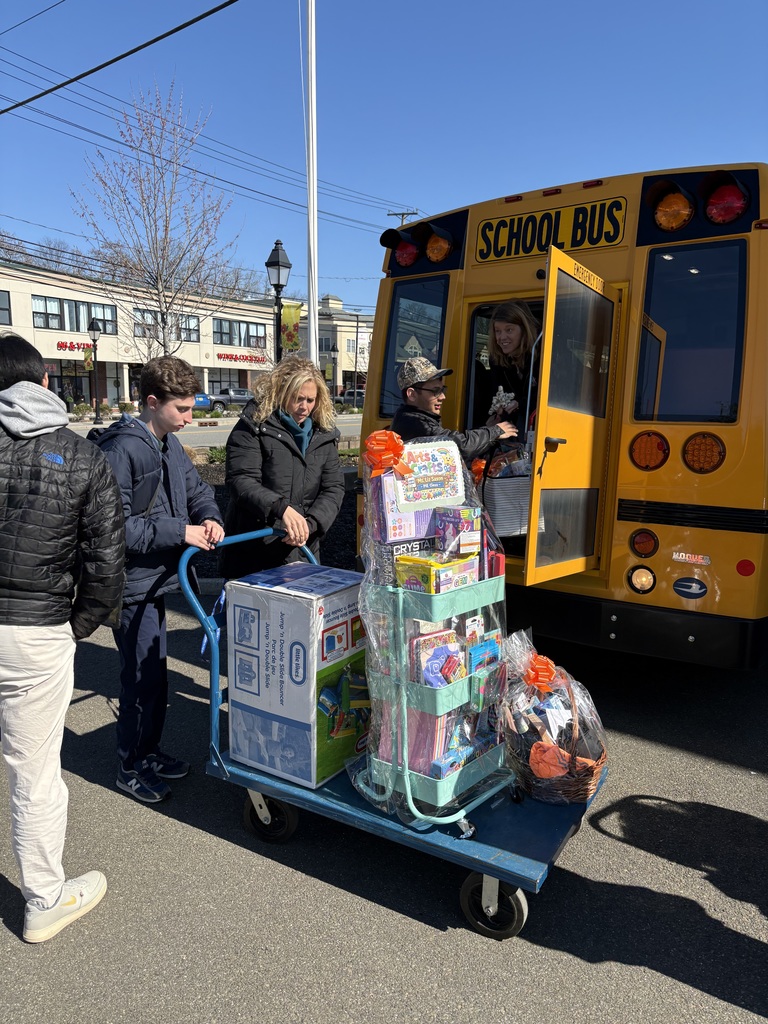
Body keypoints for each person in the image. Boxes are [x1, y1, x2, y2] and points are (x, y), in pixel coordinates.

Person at [0, 333, 125, 943]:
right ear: (46, 382)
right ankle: (43, 898)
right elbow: (106, 565)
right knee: (34, 772)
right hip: (36, 633)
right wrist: (74, 628)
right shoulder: (82, 456)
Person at [95, 357, 225, 805]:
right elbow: (115, 527)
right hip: (130, 583)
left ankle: (147, 751)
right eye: (183, 409)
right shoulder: (122, 449)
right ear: (153, 402)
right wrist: (181, 531)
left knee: (156, 676)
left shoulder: (168, 443)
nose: (190, 419)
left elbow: (197, 491)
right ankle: (130, 764)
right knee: (141, 678)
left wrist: (208, 516)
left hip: (156, 578)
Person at [220, 356, 345, 579]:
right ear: (281, 393)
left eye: (310, 400)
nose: (304, 407)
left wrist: (311, 524)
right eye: (298, 399)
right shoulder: (253, 426)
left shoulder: (323, 434)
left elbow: (334, 488)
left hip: (303, 548)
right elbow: (241, 481)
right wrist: (281, 509)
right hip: (254, 549)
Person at [390, 356, 517, 461]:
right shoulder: (416, 424)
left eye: (442, 390)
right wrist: (495, 432)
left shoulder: (412, 417)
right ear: (412, 394)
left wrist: (487, 429)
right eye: (435, 391)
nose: (443, 397)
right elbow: (456, 446)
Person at [474, 300, 540, 434]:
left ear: (524, 331)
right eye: (498, 331)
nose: (502, 337)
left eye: (509, 330)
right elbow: (497, 395)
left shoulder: (543, 357)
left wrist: (520, 404)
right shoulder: (497, 362)